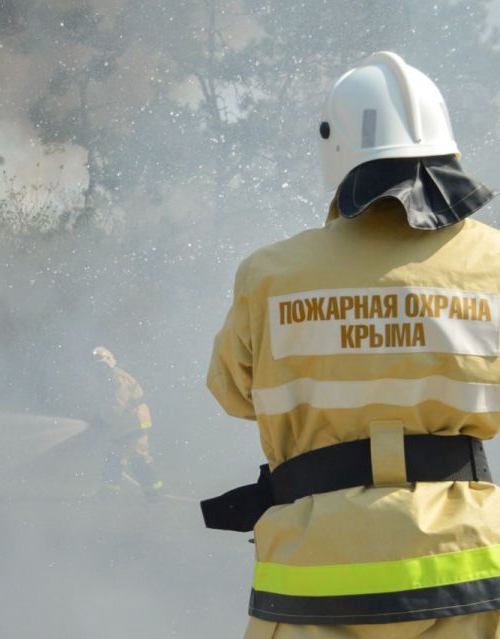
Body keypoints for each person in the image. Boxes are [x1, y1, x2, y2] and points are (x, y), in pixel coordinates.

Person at [204, 51, 500, 637]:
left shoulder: (271, 274)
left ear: (334, 147)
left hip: (313, 578)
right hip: (466, 569)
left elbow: (233, 394)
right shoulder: (492, 262)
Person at [92, 346, 163, 502]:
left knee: (137, 458)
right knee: (114, 457)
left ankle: (154, 495)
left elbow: (117, 404)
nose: (99, 370)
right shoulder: (110, 377)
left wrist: (101, 419)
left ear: (108, 363)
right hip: (125, 424)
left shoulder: (116, 378)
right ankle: (109, 493)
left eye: (101, 366)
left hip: (134, 423)